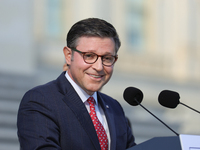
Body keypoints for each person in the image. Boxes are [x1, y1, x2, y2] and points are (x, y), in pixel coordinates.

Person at [17, 18, 136, 150]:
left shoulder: (114, 108)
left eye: (107, 58)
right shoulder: (41, 100)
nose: (99, 67)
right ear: (68, 55)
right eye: (89, 56)